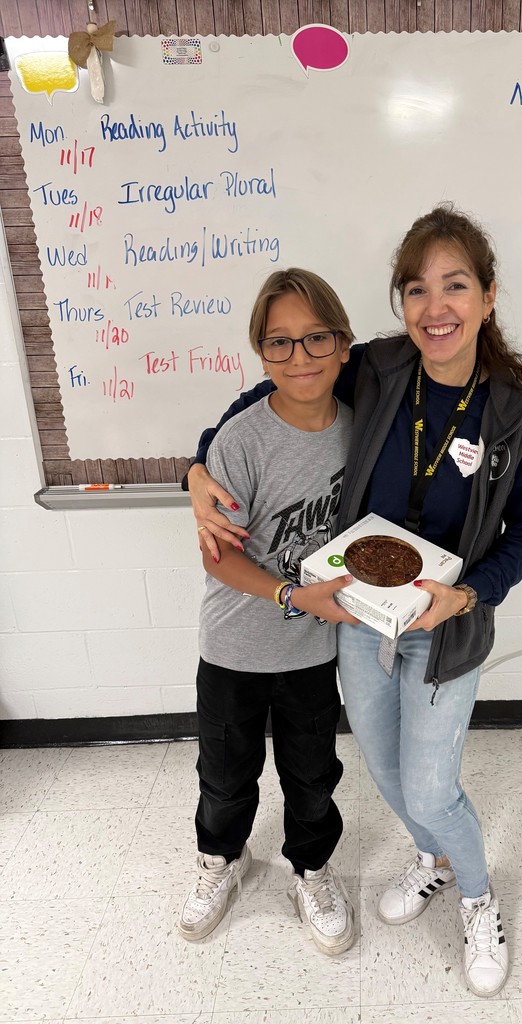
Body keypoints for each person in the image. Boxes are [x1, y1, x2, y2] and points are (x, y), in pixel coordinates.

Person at [187, 204, 522, 997]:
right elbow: (283, 382)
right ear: (400, 304)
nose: (436, 307)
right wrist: (196, 467)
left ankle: (477, 894)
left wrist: (465, 597)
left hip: (444, 621)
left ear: (489, 296)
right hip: (359, 614)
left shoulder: (518, 418)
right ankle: (432, 858)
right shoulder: (382, 368)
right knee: (385, 770)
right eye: (417, 289)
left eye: (456, 286)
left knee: (429, 785)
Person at [179, 268, 360, 957]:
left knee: (313, 775)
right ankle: (222, 860)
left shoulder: (361, 434)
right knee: (225, 775)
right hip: (233, 649)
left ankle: (311, 868)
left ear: (343, 346)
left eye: (316, 339)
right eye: (278, 343)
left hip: (313, 652)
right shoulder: (240, 440)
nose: (299, 358)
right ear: (259, 353)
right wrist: (290, 595)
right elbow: (217, 557)